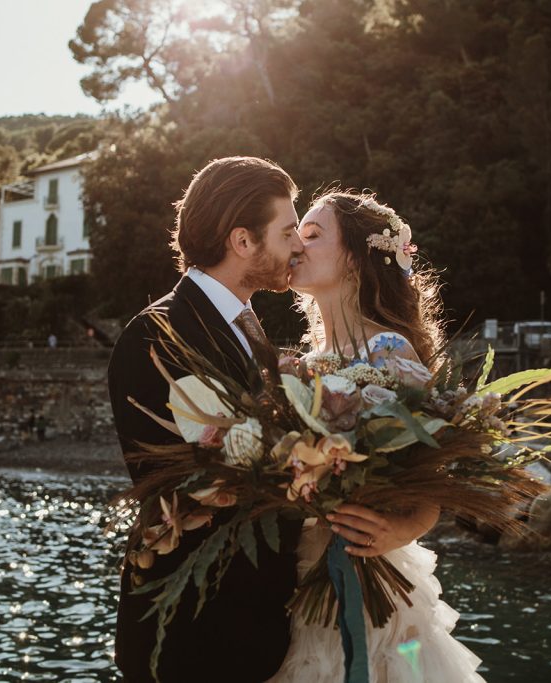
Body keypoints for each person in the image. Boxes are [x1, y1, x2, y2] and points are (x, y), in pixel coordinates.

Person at [269, 190, 488, 682]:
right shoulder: (302, 364)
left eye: (313, 234)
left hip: (372, 579)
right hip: (300, 575)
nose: (296, 247)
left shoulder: (388, 350)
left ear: (354, 257)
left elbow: (431, 477)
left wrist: (402, 530)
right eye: (296, 234)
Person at [107, 156, 306, 681]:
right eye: (287, 232)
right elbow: (217, 475)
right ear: (243, 242)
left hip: (251, 628)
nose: (299, 245)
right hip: (195, 638)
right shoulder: (159, 335)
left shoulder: (245, 322)